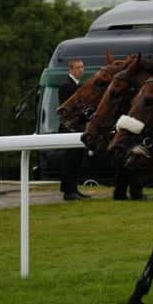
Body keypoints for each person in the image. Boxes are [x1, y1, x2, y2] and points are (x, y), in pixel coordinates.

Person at [58, 59, 90, 201]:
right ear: (70, 70)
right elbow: (71, 107)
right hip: (70, 127)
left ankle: (73, 189)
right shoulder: (66, 86)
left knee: (77, 159)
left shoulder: (79, 85)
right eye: (77, 68)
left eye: (82, 67)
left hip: (78, 127)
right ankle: (68, 191)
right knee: (71, 159)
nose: (80, 70)